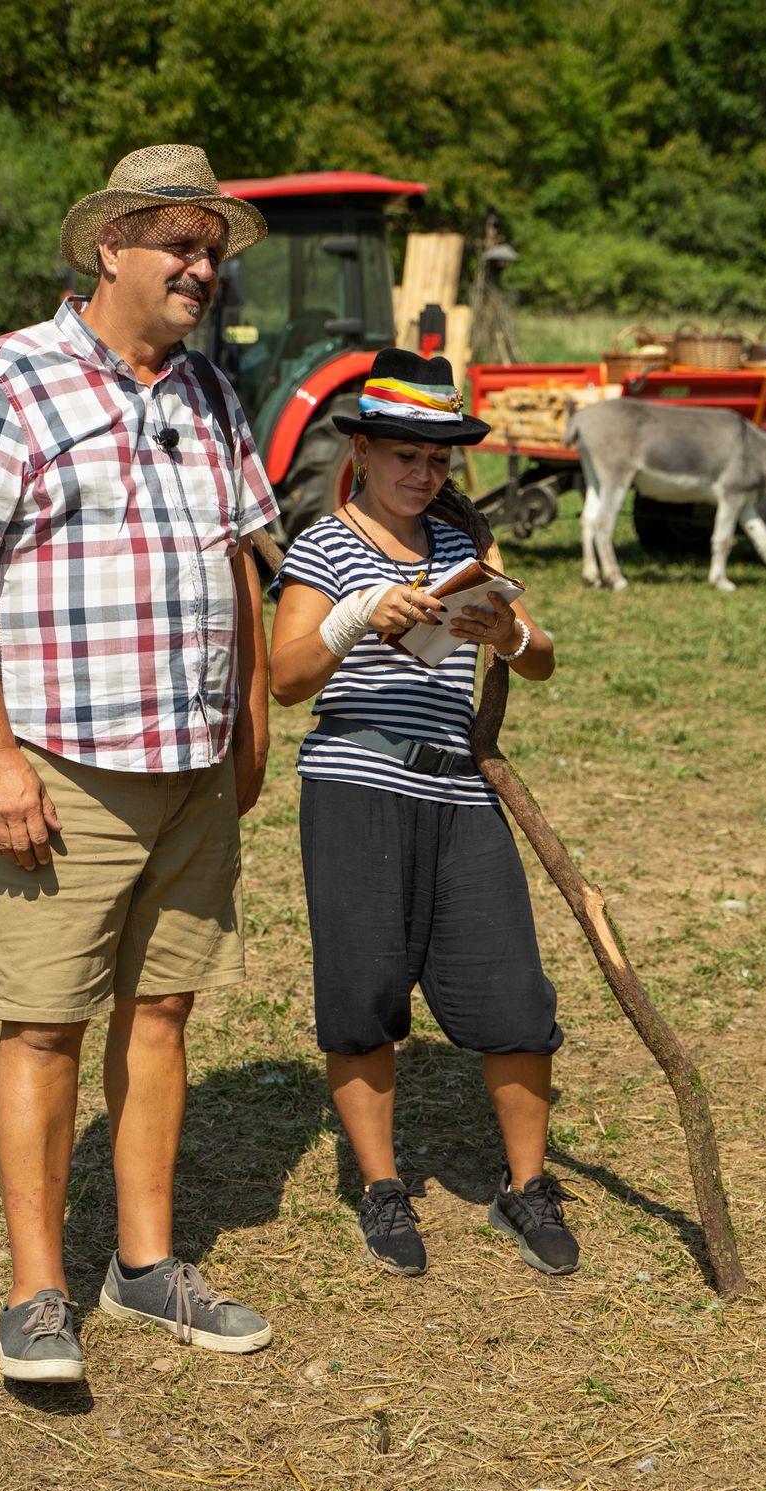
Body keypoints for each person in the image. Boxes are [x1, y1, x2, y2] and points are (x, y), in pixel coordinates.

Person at [0, 145, 279, 1383]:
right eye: (180, 241)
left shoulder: (207, 393)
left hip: (190, 767)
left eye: (212, 247)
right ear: (108, 247)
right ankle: (34, 1293)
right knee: (43, 1027)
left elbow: (239, 558)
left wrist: (249, 726)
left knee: (164, 1011)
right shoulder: (7, 380)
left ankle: (143, 1266)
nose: (201, 265)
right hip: (63, 763)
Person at [269, 348, 579, 1280]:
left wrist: (509, 631)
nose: (423, 473)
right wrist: (359, 616)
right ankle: (382, 1188)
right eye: (405, 454)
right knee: (363, 994)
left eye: (439, 460)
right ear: (362, 450)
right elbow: (286, 679)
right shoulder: (323, 545)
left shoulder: (463, 550)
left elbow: (543, 659)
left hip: (459, 788)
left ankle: (527, 1188)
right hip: (355, 783)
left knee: (515, 994)